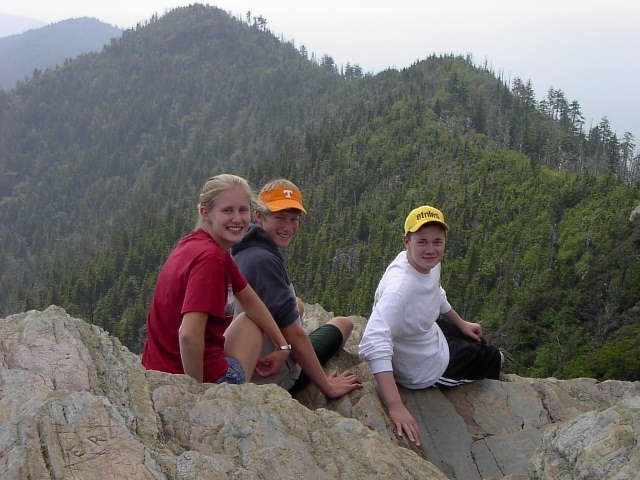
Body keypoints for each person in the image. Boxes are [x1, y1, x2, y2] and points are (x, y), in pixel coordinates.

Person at [359, 205, 504, 446]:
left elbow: (435, 293)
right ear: (407, 240)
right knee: (495, 358)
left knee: (478, 341)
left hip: (427, 334)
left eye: (437, 242)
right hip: (424, 368)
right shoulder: (399, 290)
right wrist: (395, 406)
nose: (430, 249)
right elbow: (374, 342)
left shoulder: (425, 262)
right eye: (422, 242)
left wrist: (461, 324)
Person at [141, 174, 292, 385]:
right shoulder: (211, 259)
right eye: (227, 210)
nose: (237, 219)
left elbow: (249, 299)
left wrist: (282, 346)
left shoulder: (195, 244)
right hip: (198, 380)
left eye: (243, 210)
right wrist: (199, 394)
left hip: (156, 371)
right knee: (253, 325)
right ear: (206, 213)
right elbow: (188, 334)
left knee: (259, 315)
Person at [231, 179, 362, 398]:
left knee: (297, 304)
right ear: (259, 216)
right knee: (344, 324)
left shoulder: (246, 248)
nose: (288, 227)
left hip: (254, 352)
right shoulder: (264, 261)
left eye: (294, 219)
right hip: (274, 375)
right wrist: (327, 387)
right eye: (279, 217)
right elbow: (294, 334)